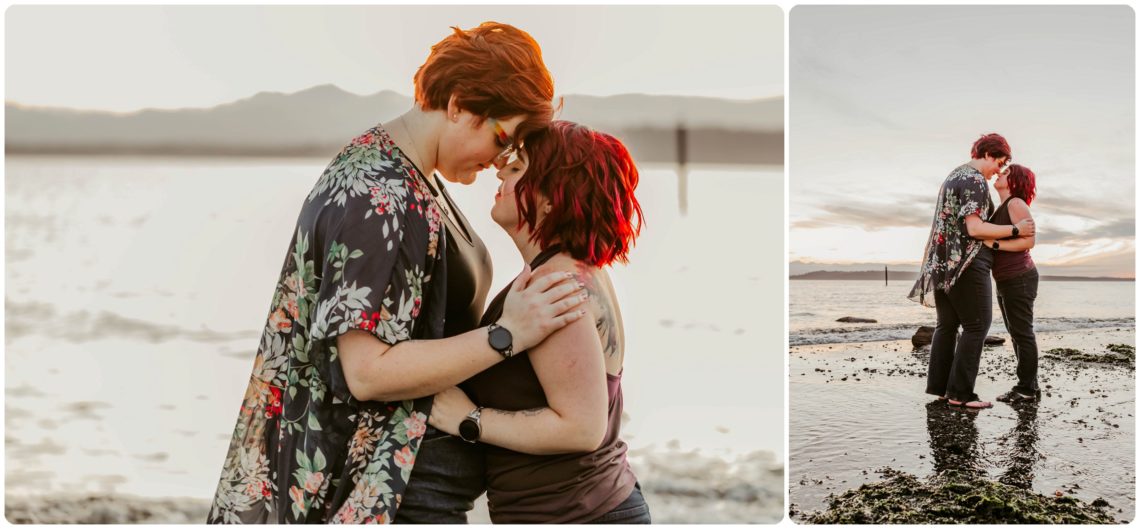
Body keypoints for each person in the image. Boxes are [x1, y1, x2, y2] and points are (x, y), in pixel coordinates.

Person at [208, 22, 588, 524]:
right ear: (457, 105)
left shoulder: (415, 175)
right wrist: (506, 336)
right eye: (502, 136)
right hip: (376, 491)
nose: (502, 159)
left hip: (410, 485)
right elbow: (366, 372)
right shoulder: (376, 193)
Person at [428, 121, 651, 523]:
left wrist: (469, 420)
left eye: (517, 169)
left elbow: (581, 429)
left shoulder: (556, 284)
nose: (500, 171)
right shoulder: (573, 269)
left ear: (550, 197)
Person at [909, 133, 1035, 410]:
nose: (997, 171)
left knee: (947, 325)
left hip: (941, 263)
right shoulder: (975, 180)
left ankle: (942, 390)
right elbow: (974, 229)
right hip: (965, 263)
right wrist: (1015, 230)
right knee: (977, 325)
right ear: (989, 154)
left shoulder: (953, 176)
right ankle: (961, 394)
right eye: (999, 163)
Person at [982, 164, 1039, 403]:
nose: (998, 174)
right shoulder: (1003, 206)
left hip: (1020, 277)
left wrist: (994, 245)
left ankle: (1026, 389)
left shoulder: (1016, 203)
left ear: (1014, 181)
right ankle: (1030, 387)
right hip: (1006, 279)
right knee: (1016, 333)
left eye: (1005, 173)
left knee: (1022, 333)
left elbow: (1029, 241)